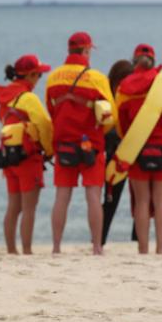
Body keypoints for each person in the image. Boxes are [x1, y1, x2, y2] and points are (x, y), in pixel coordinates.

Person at [45, 32, 117, 255]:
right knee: (93, 196)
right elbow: (110, 115)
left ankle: (56, 247)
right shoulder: (96, 78)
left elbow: (50, 109)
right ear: (86, 51)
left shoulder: (54, 77)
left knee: (62, 196)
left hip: (63, 144)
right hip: (91, 145)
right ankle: (96, 246)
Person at [116, 45, 162, 254]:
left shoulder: (124, 86)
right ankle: (160, 249)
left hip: (137, 147)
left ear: (135, 61)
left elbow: (120, 122)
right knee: (161, 199)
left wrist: (128, 142)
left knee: (142, 200)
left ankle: (143, 249)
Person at [0, 55, 53, 254]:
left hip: (9, 156)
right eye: (39, 75)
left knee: (13, 207)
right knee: (29, 208)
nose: (39, 80)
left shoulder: (5, 98)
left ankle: (11, 250)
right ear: (31, 75)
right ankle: (27, 250)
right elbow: (44, 125)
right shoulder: (28, 98)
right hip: (28, 157)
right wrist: (49, 149)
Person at [102, 59, 134, 245]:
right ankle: (100, 239)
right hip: (112, 153)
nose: (123, 87)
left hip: (133, 148)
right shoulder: (107, 97)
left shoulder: (132, 95)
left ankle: (138, 239)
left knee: (140, 198)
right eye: (120, 83)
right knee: (110, 200)